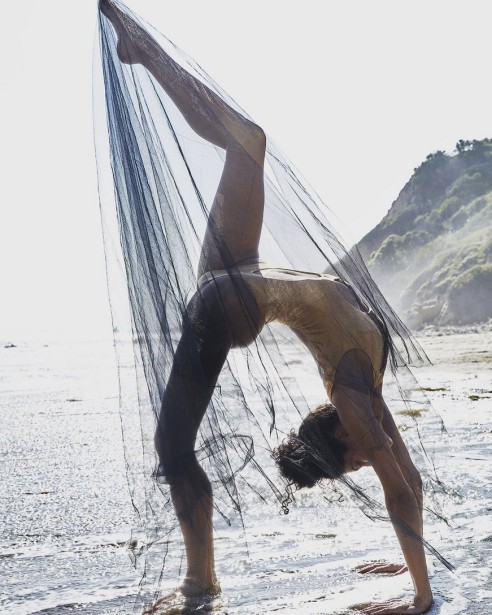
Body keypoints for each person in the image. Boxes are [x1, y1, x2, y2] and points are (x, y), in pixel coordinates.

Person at [99, 2, 433, 613]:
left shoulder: (358, 398)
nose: (368, 456)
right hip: (234, 279)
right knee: (247, 141)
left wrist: (416, 577)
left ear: (338, 432)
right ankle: (144, 52)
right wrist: (419, 586)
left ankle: (200, 583)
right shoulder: (360, 397)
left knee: (173, 449)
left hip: (227, 298)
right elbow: (405, 488)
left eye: (355, 459)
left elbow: (402, 488)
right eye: (360, 461)